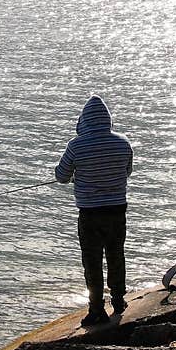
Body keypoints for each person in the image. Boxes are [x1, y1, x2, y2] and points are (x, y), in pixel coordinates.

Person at [55, 95, 134, 327]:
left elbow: (61, 177)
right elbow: (127, 171)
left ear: (84, 120)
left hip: (90, 213)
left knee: (92, 261)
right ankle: (119, 300)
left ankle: (96, 309)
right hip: (117, 211)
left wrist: (78, 174)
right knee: (116, 255)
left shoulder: (76, 145)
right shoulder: (123, 143)